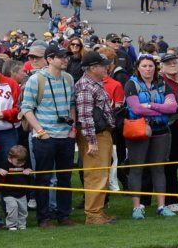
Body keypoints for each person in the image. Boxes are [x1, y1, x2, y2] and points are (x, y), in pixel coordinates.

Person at [20, 43, 77, 226]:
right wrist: (40, 131)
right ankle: (43, 217)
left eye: (66, 57)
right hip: (45, 136)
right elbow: (26, 109)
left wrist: (73, 127)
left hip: (65, 135)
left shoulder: (68, 78)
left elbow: (72, 105)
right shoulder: (36, 79)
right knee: (43, 178)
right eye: (61, 57)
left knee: (65, 178)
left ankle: (64, 214)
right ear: (50, 59)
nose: (65, 60)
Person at [124, 52, 178, 218]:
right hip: (139, 130)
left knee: (159, 169)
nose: (148, 69)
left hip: (161, 131)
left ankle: (162, 206)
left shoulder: (162, 83)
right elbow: (136, 109)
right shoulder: (131, 84)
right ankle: (137, 207)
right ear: (138, 68)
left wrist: (150, 104)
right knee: (137, 169)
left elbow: (173, 108)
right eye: (144, 66)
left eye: (150, 66)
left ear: (155, 68)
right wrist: (160, 108)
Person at [73, 52, 116, 225]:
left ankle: (98, 211)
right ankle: (93, 214)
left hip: (101, 133)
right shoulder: (85, 86)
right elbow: (84, 117)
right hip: (95, 135)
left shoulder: (94, 83)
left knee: (102, 173)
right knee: (96, 174)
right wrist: (91, 141)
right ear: (92, 68)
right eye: (103, 65)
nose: (106, 67)